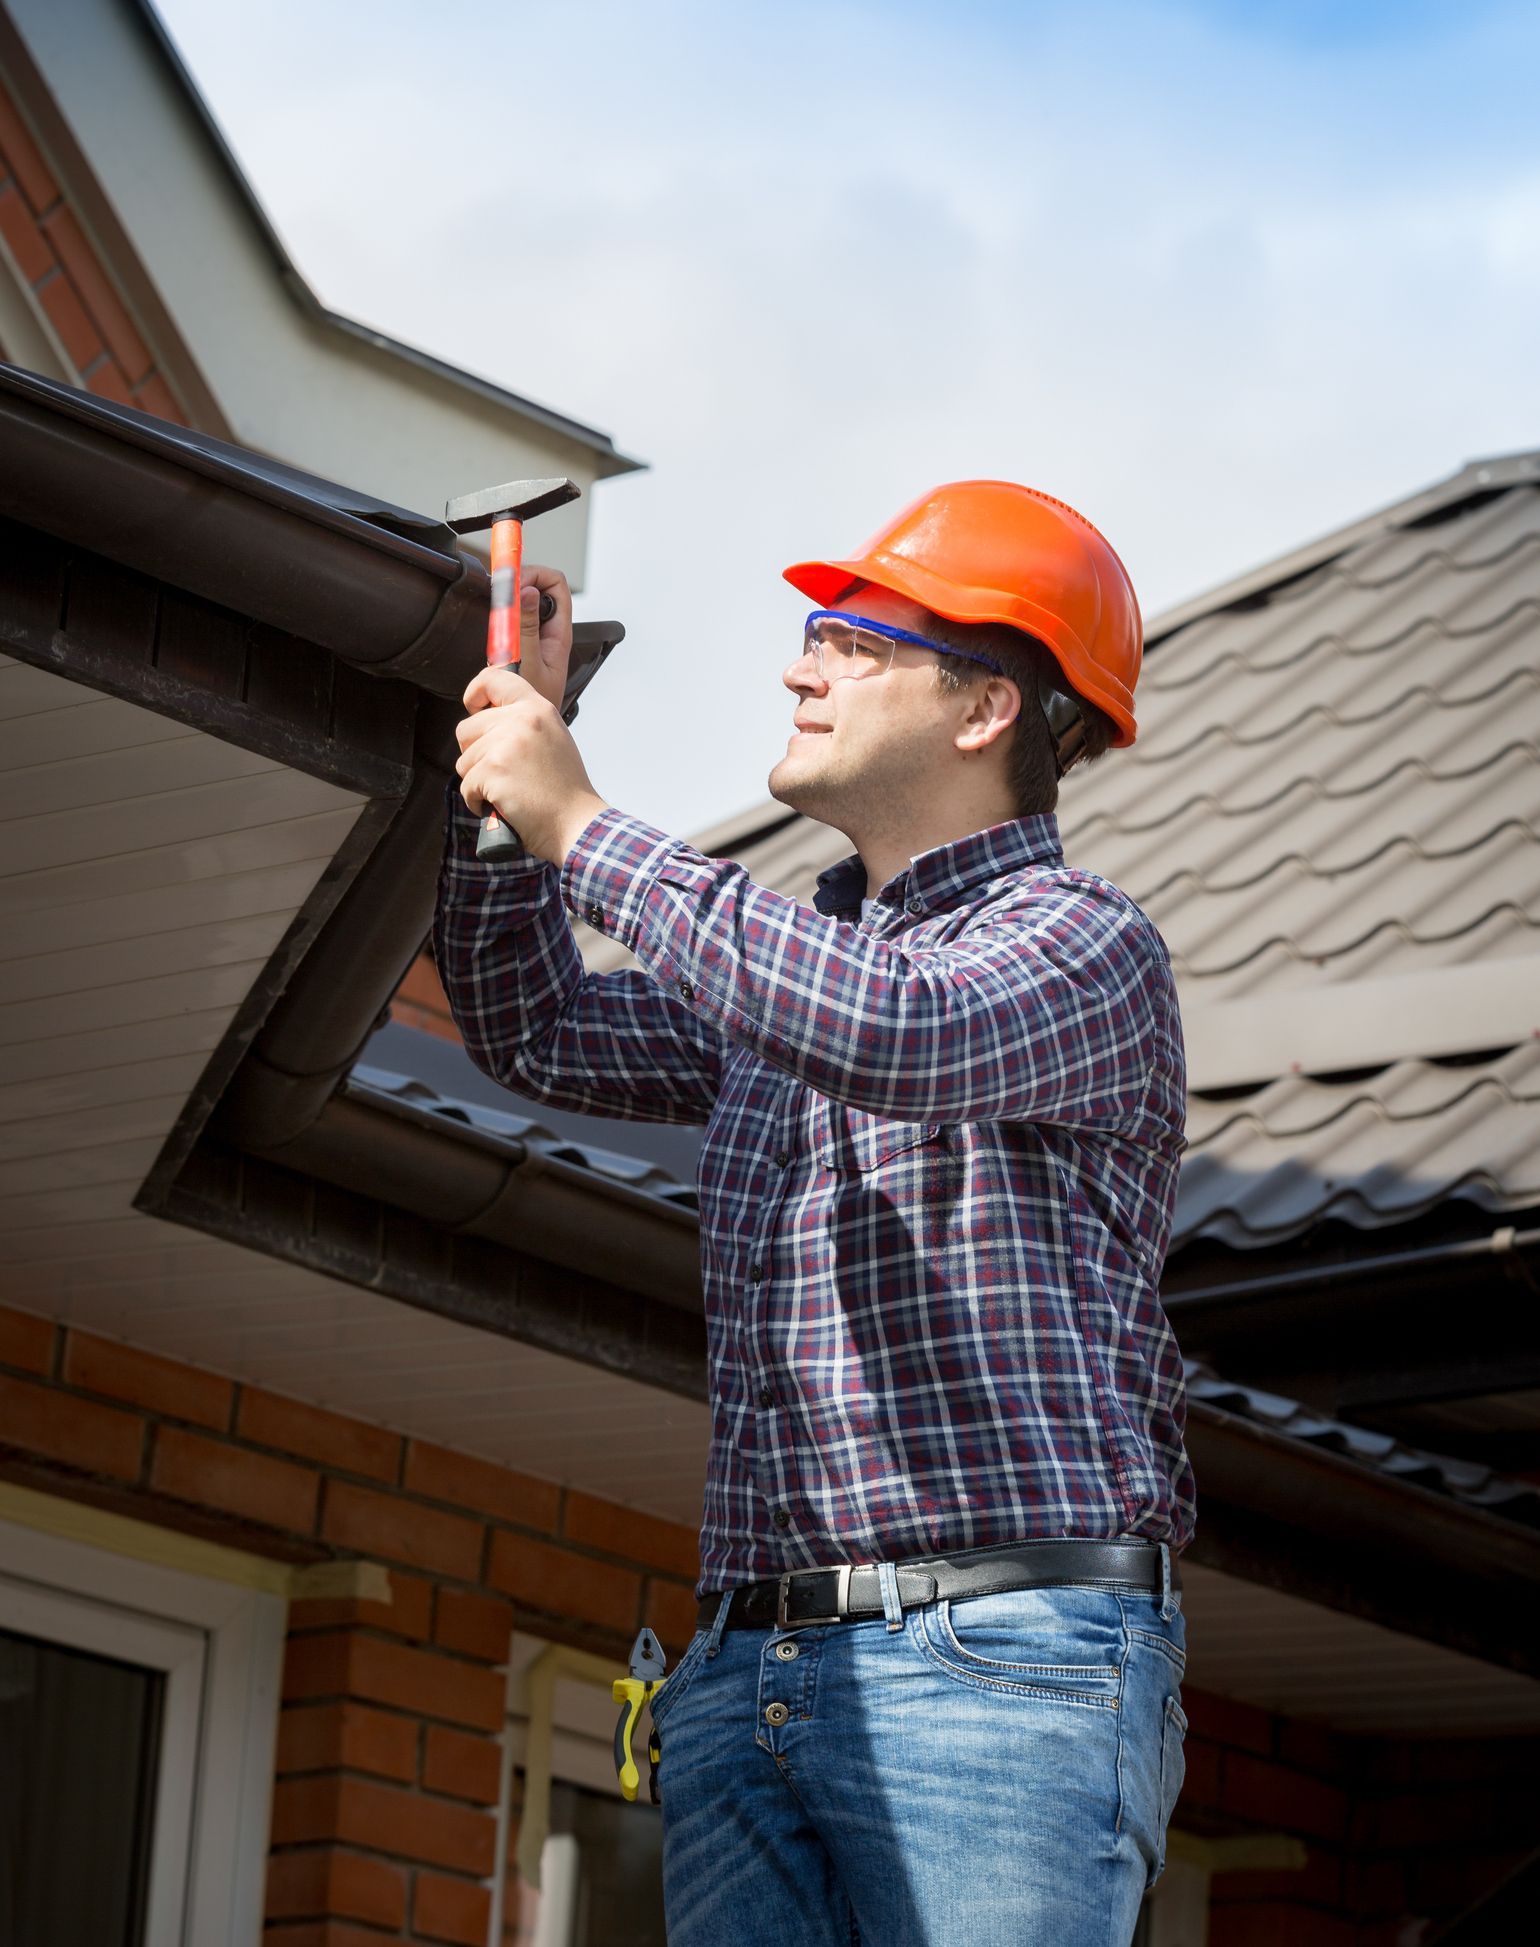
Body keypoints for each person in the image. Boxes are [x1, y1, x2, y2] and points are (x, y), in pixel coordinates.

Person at [435, 480, 1194, 1947]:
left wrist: (582, 821)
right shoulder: (790, 965)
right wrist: (487, 794)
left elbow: (896, 1031)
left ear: (984, 708)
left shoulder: (1085, 947)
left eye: (850, 644)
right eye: (809, 635)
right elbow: (534, 1028)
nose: (799, 667)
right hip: (749, 1664)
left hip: (998, 1653)